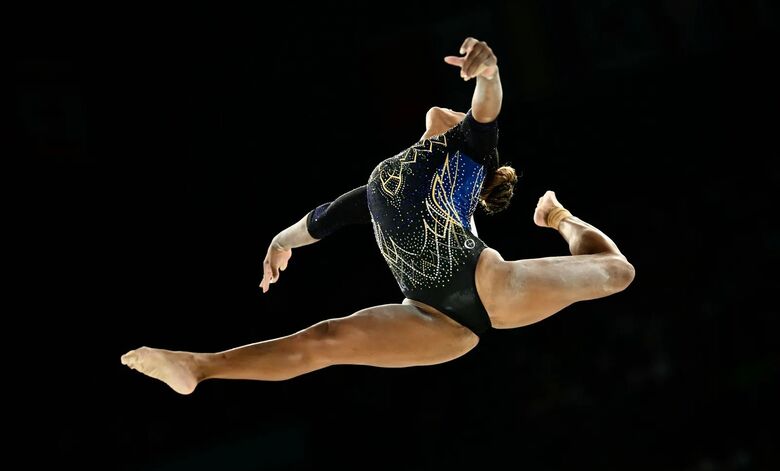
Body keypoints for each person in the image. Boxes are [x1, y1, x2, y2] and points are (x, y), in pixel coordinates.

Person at [121, 37, 635, 395]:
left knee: (619, 272)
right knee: (326, 340)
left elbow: (486, 109)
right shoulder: (383, 183)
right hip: (433, 321)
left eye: (457, 119)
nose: (446, 112)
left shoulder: (468, 157)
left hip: (486, 285)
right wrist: (281, 242)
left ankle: (561, 218)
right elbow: (325, 219)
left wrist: (490, 71)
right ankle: (197, 367)